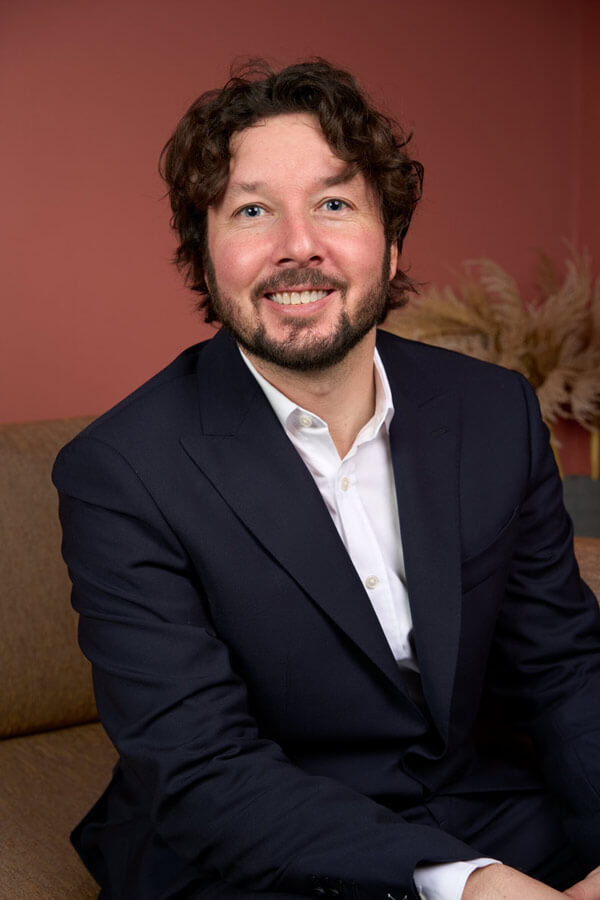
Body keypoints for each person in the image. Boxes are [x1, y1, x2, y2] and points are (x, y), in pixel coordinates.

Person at [53, 60, 600, 900]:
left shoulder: (492, 411)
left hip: (480, 804)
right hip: (255, 843)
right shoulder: (121, 470)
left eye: (335, 203)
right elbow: (204, 770)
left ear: (393, 243)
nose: (296, 245)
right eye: (251, 210)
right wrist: (474, 887)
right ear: (204, 256)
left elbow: (565, 668)